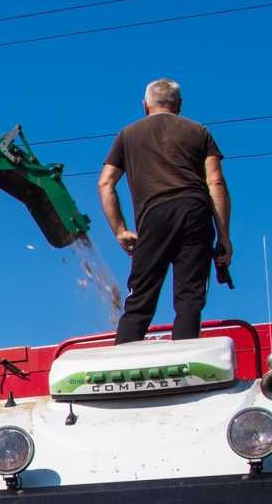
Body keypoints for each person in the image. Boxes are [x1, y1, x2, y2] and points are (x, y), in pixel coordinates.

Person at [97, 78, 232, 343]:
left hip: (153, 216)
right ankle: (186, 363)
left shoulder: (127, 134)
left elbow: (105, 183)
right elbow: (215, 181)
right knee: (189, 299)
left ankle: (123, 362)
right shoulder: (199, 131)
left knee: (140, 298)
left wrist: (120, 230)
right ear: (178, 105)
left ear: (145, 104)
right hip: (195, 212)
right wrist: (223, 237)